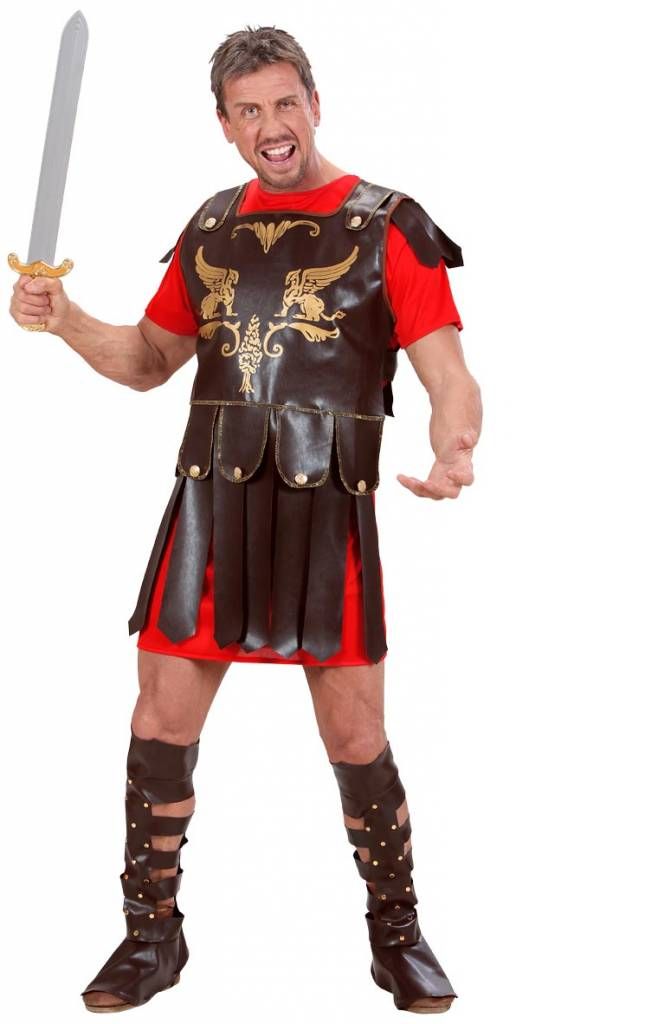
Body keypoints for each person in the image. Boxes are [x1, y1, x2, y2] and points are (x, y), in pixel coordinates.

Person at [9, 25, 482, 1014]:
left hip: (326, 513)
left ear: (315, 102)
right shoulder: (212, 226)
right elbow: (149, 359)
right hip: (211, 505)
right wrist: (68, 319)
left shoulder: (387, 225)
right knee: (158, 720)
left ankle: (396, 934)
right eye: (248, 110)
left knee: (357, 735)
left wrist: (456, 446)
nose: (272, 125)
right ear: (224, 124)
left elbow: (448, 372)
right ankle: (152, 937)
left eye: (284, 102)